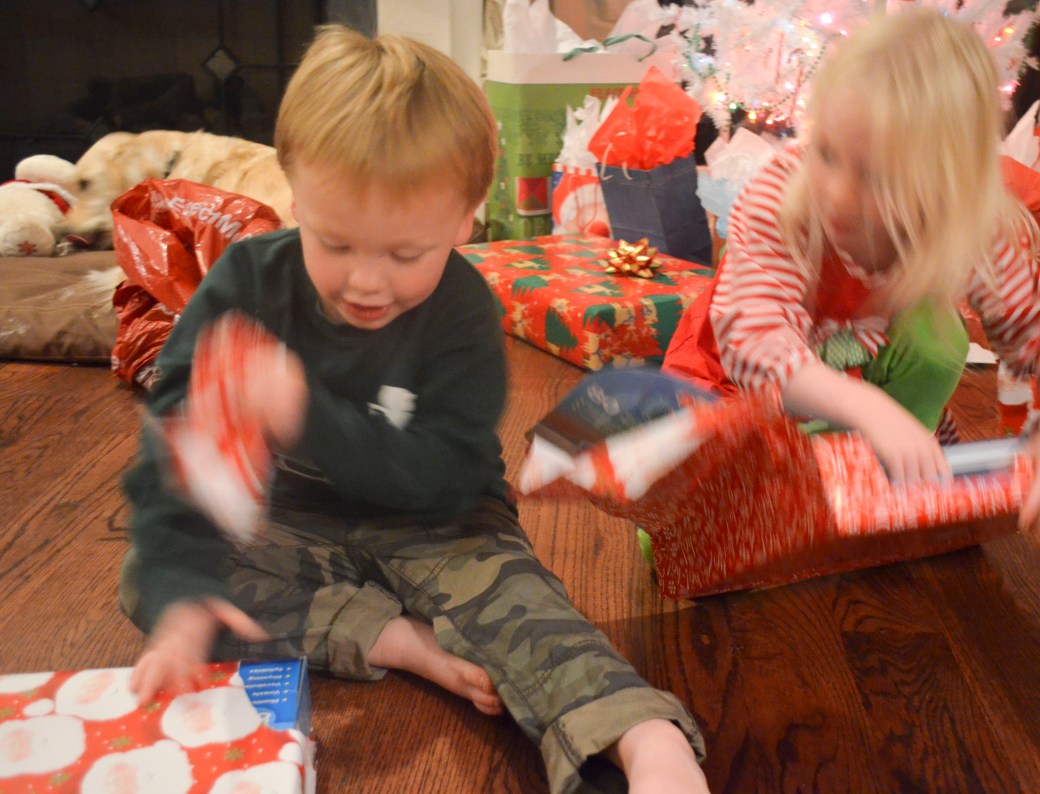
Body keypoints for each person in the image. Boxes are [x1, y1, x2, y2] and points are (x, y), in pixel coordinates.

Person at [118, 26, 708, 794]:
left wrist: (305, 410)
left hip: (437, 515)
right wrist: (181, 595)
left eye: (404, 255)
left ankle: (642, 735)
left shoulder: (463, 311)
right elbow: (175, 447)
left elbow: (441, 478)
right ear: (295, 199)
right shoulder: (245, 283)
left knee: (519, 602)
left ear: (465, 222)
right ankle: (391, 640)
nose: (367, 282)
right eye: (335, 244)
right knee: (152, 578)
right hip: (290, 519)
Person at [664, 8, 1040, 540]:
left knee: (936, 335)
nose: (838, 193)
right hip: (738, 383)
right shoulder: (780, 195)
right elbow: (755, 342)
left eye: (877, 178)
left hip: (856, 377)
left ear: (945, 187)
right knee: (686, 527)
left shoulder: (961, 219)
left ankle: (881, 470)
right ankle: (821, 468)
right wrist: (871, 411)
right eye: (827, 153)